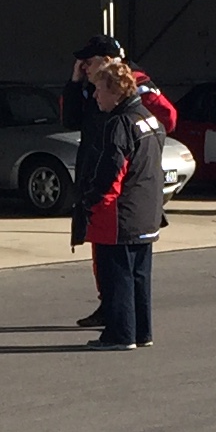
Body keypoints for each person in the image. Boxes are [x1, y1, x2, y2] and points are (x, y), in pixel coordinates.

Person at [63, 34, 178, 328]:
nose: (84, 67)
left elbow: (167, 117)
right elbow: (70, 119)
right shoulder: (91, 88)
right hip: (97, 170)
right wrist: (76, 82)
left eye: (89, 61)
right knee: (105, 253)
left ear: (108, 60)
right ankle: (115, 311)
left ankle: (121, 323)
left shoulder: (132, 86)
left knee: (121, 259)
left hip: (123, 185)